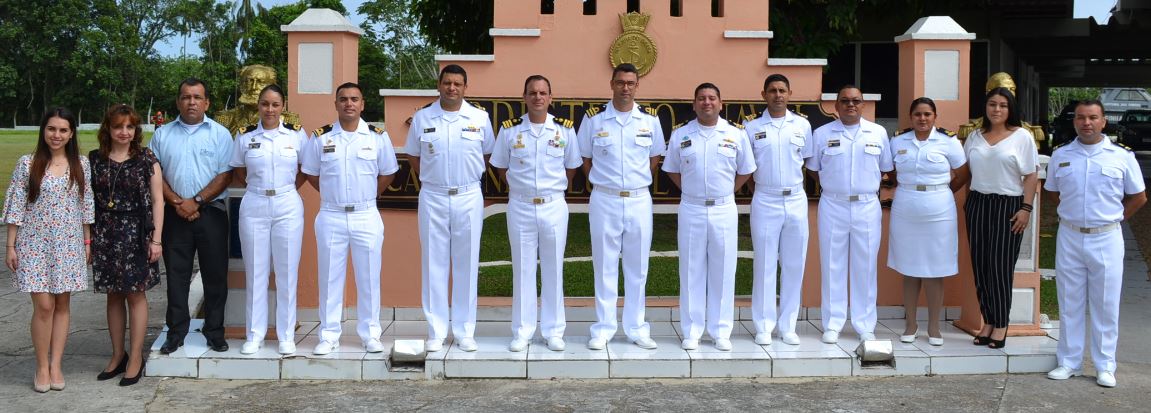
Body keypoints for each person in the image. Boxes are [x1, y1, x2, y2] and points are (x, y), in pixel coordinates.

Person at [1045, 100, 1146, 388]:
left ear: (1103, 121)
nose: (1086, 123)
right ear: (1074, 122)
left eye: (1092, 118)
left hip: (1106, 236)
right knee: (1069, 301)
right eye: (1080, 118)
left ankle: (1105, 365)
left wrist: (1115, 219)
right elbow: (1052, 191)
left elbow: (1138, 196)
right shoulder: (1061, 155)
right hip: (1071, 235)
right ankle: (1069, 362)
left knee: (1105, 303)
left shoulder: (1121, 157)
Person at [302, 82, 399, 355]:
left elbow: (388, 172)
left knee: (369, 277)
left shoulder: (377, 136)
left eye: (354, 99)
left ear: (363, 104)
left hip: (366, 214)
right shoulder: (321, 137)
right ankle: (329, 335)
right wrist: (331, 195)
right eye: (343, 99)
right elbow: (310, 172)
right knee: (330, 277)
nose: (349, 104)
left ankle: (370, 334)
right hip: (331, 214)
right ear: (335, 104)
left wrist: (368, 195)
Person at [405, 64, 495, 353]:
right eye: (447, 83)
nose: (452, 88)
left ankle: (465, 330)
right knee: (434, 263)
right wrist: (435, 180)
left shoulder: (479, 118)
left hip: (468, 195)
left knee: (467, 264)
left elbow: (488, 153)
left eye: (458, 83)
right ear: (439, 85)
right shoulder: (422, 117)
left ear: (466, 87)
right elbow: (414, 156)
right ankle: (436, 331)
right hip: (433, 196)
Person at [3, 107, 94, 392]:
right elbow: (16, 205)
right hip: (33, 244)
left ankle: (56, 365)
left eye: (63, 130)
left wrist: (87, 241)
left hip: (68, 244)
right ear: (44, 131)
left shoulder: (80, 164)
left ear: (71, 134)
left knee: (62, 305)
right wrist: (10, 245)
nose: (57, 135)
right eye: (52, 129)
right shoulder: (27, 164)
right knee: (44, 306)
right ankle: (41, 366)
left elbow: (86, 205)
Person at [490, 75, 583, 352]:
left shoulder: (565, 131)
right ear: (525, 97)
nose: (538, 97)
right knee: (522, 268)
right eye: (532, 93)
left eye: (543, 93)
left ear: (551, 98)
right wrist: (520, 187)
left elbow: (572, 167)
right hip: (520, 205)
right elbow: (500, 166)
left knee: (554, 268)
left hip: (554, 204)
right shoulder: (510, 131)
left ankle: (554, 330)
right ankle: (523, 330)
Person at [577, 63, 666, 350]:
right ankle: (603, 327)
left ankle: (637, 327)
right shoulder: (594, 121)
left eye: (630, 83)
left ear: (637, 86)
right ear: (611, 83)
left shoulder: (649, 121)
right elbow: (586, 159)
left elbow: (654, 161)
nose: (625, 87)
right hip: (605, 198)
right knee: (604, 265)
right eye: (620, 82)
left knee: (637, 266)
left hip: (639, 198)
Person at [662, 83, 755, 351]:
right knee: (691, 269)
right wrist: (692, 192)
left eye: (712, 98)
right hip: (691, 207)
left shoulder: (735, 135)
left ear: (720, 103)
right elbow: (672, 170)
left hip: (724, 208)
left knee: (724, 270)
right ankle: (691, 331)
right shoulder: (682, 135)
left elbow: (746, 170)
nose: (707, 103)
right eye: (701, 99)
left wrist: (727, 191)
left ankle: (721, 330)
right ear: (694, 105)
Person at [149, 78, 234, 354]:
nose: (192, 102)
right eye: (186, 97)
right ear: (178, 102)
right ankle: (176, 332)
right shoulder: (163, 135)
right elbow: (154, 173)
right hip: (175, 214)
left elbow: (225, 175)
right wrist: (177, 201)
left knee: (215, 275)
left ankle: (214, 331)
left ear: (207, 102)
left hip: (211, 213)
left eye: (197, 97)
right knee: (176, 276)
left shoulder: (220, 134)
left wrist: (196, 200)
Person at [806, 85, 893, 344]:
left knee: (865, 265)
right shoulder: (821, 134)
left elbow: (886, 168)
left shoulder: (877, 133)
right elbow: (814, 169)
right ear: (836, 106)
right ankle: (832, 323)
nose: (850, 105)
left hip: (867, 204)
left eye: (856, 100)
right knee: (832, 263)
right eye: (845, 101)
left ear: (863, 104)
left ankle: (865, 324)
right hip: (833, 204)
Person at [959, 87, 1039, 349]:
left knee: (1000, 268)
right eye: (992, 104)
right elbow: (967, 173)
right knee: (981, 266)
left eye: (1003, 105)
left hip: (1008, 205)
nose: (996, 110)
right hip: (979, 203)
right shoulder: (974, 137)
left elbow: (1030, 175)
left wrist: (1025, 209)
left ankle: (1001, 324)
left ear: (1010, 109)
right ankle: (988, 321)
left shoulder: (1021, 137)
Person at [90, 104, 163, 386]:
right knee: (113, 295)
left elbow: (158, 200)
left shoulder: (146, 158)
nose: (124, 132)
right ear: (108, 128)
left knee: (136, 294)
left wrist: (156, 239)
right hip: (106, 233)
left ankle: (135, 357)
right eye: (118, 126)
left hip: (136, 233)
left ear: (136, 130)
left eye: (129, 127)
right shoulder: (95, 159)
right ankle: (117, 354)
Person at [231, 85, 307, 355]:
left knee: (287, 273)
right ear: (258, 106)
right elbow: (239, 171)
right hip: (254, 203)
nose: (270, 109)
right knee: (255, 272)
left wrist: (283, 190)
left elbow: (305, 170)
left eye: (275, 104)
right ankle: (255, 334)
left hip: (287, 203)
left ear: (283, 106)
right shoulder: (245, 136)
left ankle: (286, 335)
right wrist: (261, 189)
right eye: (265, 104)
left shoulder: (297, 135)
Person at [887, 98, 966, 346]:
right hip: (906, 207)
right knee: (909, 268)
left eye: (927, 114)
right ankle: (911, 324)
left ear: (935, 117)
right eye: (918, 114)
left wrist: (941, 192)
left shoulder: (948, 141)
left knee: (935, 269)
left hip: (939, 209)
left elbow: (962, 174)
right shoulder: (898, 141)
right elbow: (891, 172)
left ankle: (934, 327)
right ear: (911, 117)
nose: (922, 119)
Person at [743, 74, 813, 346]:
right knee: (764, 263)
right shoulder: (751, 128)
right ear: (763, 95)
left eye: (782, 90)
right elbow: (747, 169)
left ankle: (788, 325)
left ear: (790, 93)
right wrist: (761, 189)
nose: (777, 95)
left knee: (794, 263)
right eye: (772, 91)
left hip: (795, 198)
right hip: (765, 198)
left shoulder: (803, 126)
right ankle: (763, 325)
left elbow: (807, 162)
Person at [215, 65, 301, 134]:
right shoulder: (225, 118)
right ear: (242, 86)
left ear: (271, 86)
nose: (253, 87)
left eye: (260, 82)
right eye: (249, 81)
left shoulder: (289, 120)